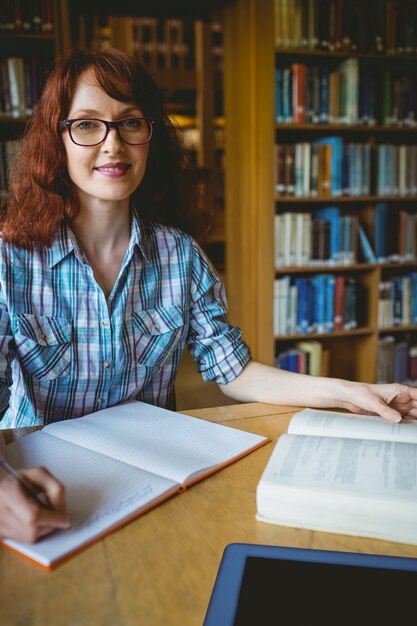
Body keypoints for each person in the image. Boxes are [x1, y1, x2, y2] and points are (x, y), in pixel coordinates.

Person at [1, 48, 416, 544]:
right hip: (47, 494)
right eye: (88, 125)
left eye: (130, 122)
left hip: (157, 488)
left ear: (150, 134)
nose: (113, 145)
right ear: (58, 140)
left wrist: (351, 394)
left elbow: (234, 371)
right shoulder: (11, 262)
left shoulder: (180, 256)